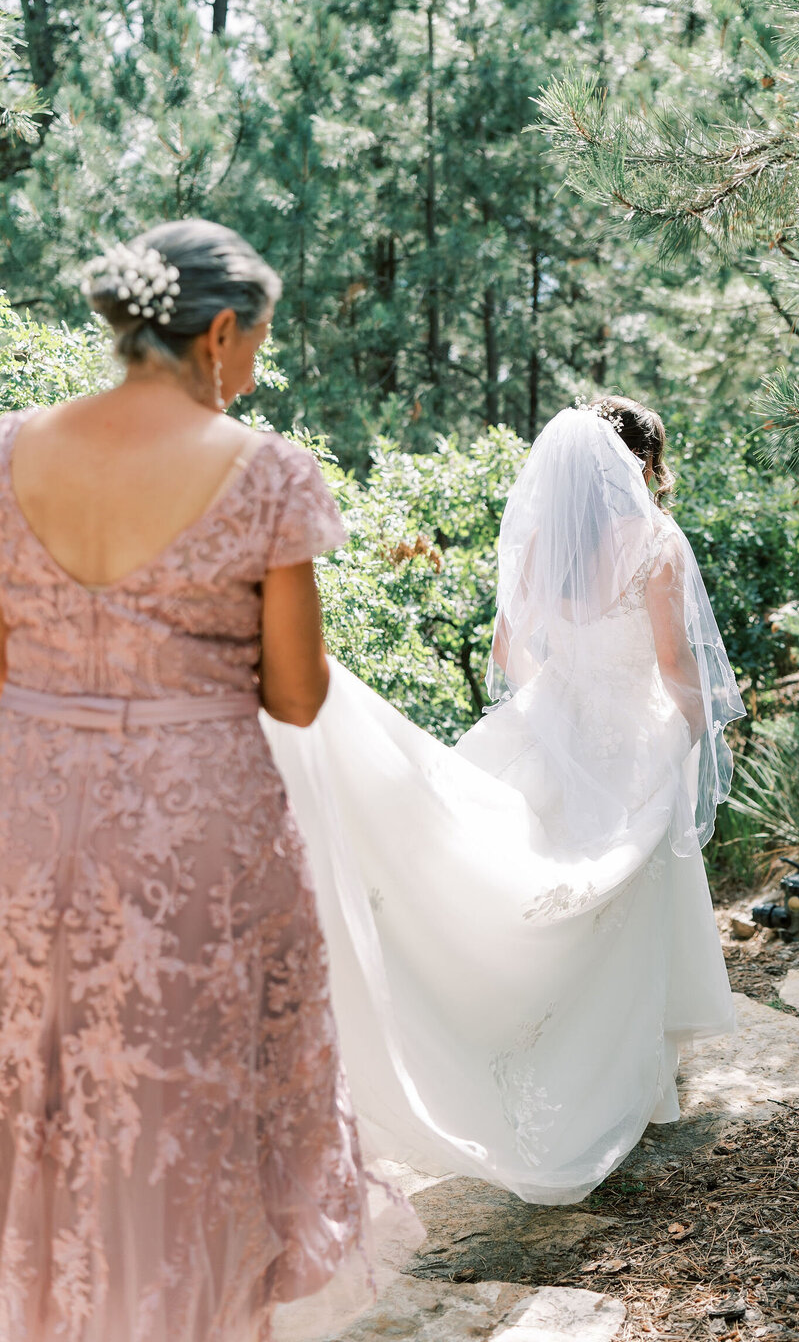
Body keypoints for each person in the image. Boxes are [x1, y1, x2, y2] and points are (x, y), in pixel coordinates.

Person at [0, 221, 419, 1342]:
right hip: (196, 829)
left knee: (53, 1089)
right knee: (207, 1092)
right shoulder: (265, 471)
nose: (252, 370)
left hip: (31, 825)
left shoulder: (10, 451)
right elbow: (296, 695)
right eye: (256, 344)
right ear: (222, 331)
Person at [265, 397, 745, 1204]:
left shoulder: (544, 548)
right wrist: (680, 733)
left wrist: (559, 712)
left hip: (549, 730)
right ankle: (637, 1083)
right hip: (629, 738)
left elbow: (510, 652)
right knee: (623, 896)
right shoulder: (657, 543)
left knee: (538, 901)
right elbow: (674, 668)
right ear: (643, 466)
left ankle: (525, 1064)